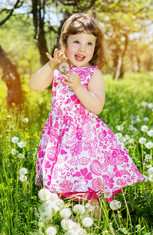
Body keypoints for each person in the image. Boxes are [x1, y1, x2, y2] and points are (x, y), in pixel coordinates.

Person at [29, 13, 144, 207]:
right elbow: (34, 85)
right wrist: (50, 66)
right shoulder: (58, 70)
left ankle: (95, 226)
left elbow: (97, 106)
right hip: (59, 136)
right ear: (64, 43)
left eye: (89, 43)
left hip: (84, 139)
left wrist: (79, 88)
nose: (83, 48)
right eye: (76, 41)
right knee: (62, 182)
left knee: (89, 188)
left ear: (96, 48)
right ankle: (65, 218)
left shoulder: (93, 73)